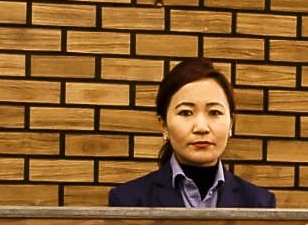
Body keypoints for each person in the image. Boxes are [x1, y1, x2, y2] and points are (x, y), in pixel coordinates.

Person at [106, 58, 275, 209]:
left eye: (214, 112)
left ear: (231, 122)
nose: (201, 127)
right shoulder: (128, 201)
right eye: (186, 112)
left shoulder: (259, 203)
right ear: (164, 125)